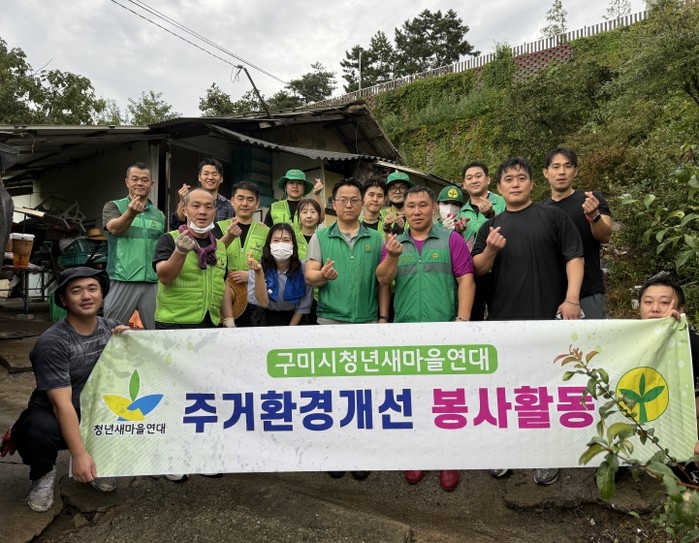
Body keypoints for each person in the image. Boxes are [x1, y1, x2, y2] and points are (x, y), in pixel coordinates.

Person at [471, 156, 584, 486]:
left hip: (548, 319)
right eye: (508, 180)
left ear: (533, 183)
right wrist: (491, 250)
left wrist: (572, 299)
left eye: (521, 178)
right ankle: (505, 450)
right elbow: (477, 268)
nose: (516, 184)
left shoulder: (554, 217)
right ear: (499, 188)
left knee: (547, 390)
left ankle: (546, 453)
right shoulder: (490, 227)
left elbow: (574, 257)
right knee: (506, 390)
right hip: (503, 322)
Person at [4, 267, 129, 512]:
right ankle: (43, 473)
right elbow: (62, 404)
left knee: (131, 412)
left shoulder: (112, 329)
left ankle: (95, 463)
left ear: (102, 293)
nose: (86, 296)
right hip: (56, 410)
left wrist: (135, 339)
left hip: (95, 407)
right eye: (76, 291)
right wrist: (78, 454)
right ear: (63, 299)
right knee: (37, 430)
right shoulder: (53, 343)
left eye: (92, 289)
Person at [376, 186, 475, 492]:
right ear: (403, 211)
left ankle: (448, 458)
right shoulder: (394, 243)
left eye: (422, 205)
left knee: (446, 397)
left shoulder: (451, 239)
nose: (416, 211)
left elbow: (466, 279)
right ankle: (416, 453)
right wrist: (393, 257)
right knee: (412, 397)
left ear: (434, 208)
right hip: (406, 332)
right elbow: (383, 279)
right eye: (411, 206)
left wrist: (462, 321)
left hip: (444, 331)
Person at [305, 177, 388, 326]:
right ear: (334, 204)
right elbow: (310, 275)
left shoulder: (376, 239)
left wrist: (383, 317)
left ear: (362, 204)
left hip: (368, 320)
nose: (349, 205)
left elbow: (382, 282)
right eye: (343, 200)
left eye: (354, 200)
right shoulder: (320, 237)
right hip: (329, 320)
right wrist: (323, 275)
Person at [543, 148, 612, 319]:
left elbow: (605, 236)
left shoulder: (591, 200)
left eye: (567, 166)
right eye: (556, 167)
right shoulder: (541, 211)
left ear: (575, 171)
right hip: (551, 295)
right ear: (546, 173)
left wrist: (594, 216)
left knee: (592, 338)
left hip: (588, 291)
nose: (562, 172)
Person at [153, 188, 231, 330]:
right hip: (174, 323)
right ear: (184, 211)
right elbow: (164, 278)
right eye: (196, 206)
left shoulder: (220, 246)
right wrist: (180, 252)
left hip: (210, 323)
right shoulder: (169, 239)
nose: (202, 211)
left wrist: (229, 318)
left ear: (214, 212)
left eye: (208, 207)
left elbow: (222, 283)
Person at [102, 162, 165, 330]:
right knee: (112, 331)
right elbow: (114, 229)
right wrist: (130, 213)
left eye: (145, 180)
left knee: (157, 331)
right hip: (122, 279)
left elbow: (162, 248)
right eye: (135, 179)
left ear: (151, 184)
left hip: (152, 282)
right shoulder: (113, 206)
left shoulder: (159, 215)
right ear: (127, 182)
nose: (139, 183)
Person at [458, 162, 507, 321]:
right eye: (469, 178)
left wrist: (491, 214)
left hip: (501, 270)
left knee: (501, 318)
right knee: (474, 318)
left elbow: (513, 229)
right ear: (464, 184)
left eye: (478, 176)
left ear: (488, 179)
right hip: (473, 274)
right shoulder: (461, 212)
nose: (474, 180)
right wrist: (458, 232)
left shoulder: (504, 202)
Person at [216, 182, 269, 327]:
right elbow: (211, 256)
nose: (245, 203)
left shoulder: (266, 231)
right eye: (240, 198)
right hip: (225, 296)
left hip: (255, 299)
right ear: (232, 201)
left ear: (257, 204)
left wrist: (251, 275)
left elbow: (271, 263)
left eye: (250, 199)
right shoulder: (219, 227)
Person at [246, 223, 314, 326]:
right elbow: (263, 303)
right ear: (269, 245)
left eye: (286, 240)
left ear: (293, 245)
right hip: (266, 317)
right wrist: (259, 273)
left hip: (296, 319)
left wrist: (289, 330)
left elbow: (303, 306)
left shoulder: (303, 268)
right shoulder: (258, 268)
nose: (281, 245)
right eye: (276, 240)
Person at [170, 158, 234, 230]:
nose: (210, 177)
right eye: (206, 174)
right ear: (199, 177)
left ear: (221, 179)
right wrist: (183, 201)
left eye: (214, 174)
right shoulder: (190, 200)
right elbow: (175, 227)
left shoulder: (229, 205)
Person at [383, 171, 414, 236]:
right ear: (387, 192)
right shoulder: (379, 215)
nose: (397, 191)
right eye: (392, 188)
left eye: (402, 188)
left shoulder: (416, 215)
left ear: (409, 192)